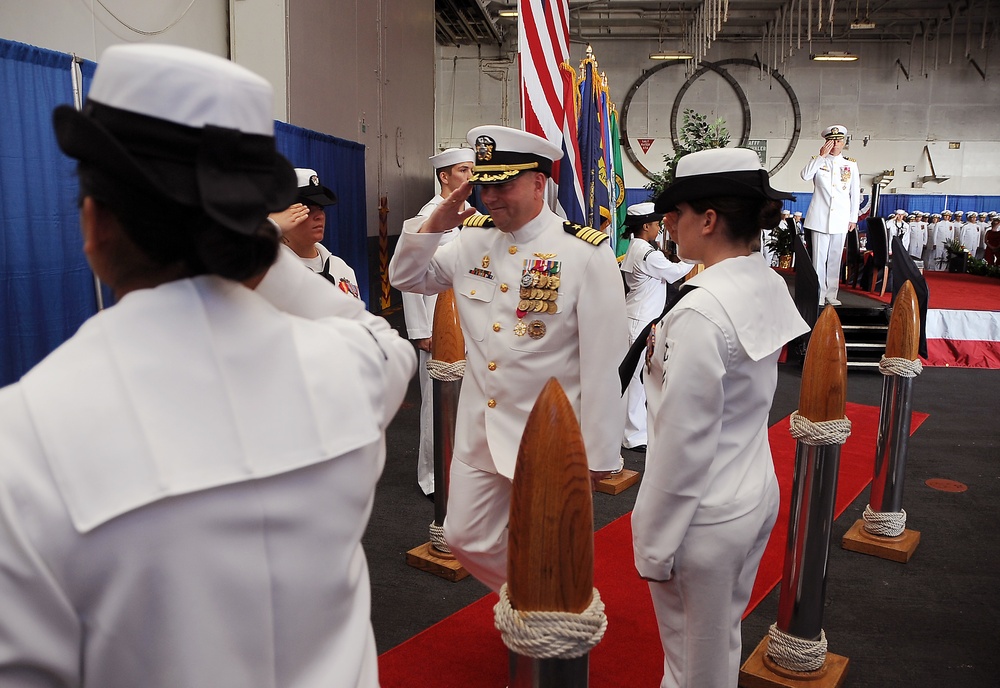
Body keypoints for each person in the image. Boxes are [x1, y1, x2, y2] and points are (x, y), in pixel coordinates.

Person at [0, 44, 415, 687]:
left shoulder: (23, 442)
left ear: (93, 226)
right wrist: (262, 251)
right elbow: (379, 340)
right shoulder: (349, 366)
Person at [389, 125, 627, 592]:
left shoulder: (583, 254)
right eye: (485, 184)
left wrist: (600, 454)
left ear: (539, 183)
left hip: (549, 437)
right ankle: (533, 596)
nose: (491, 197)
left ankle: (547, 620)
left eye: (505, 184)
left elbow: (604, 365)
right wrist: (436, 222)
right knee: (463, 537)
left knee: (550, 542)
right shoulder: (472, 239)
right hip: (480, 429)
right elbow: (407, 277)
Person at [631, 148, 809, 688]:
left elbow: (683, 446)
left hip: (701, 516)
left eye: (676, 213)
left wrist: (652, 543)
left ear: (707, 220)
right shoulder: (764, 280)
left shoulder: (701, 312)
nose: (669, 224)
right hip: (750, 491)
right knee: (713, 651)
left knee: (693, 666)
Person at [402, 147, 475, 496]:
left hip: (465, 325)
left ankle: (460, 470)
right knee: (435, 405)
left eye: (473, 170)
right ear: (444, 176)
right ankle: (432, 477)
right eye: (463, 170)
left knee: (465, 404)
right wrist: (421, 331)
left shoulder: (471, 214)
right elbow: (412, 279)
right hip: (437, 328)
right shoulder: (428, 216)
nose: (470, 177)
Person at [620, 202, 691, 453]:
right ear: (646, 226)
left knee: (636, 377)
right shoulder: (646, 252)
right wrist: (694, 257)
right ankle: (633, 435)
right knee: (636, 380)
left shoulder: (637, 247)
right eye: (657, 224)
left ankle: (631, 431)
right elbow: (674, 273)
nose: (659, 228)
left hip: (637, 318)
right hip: (639, 320)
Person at [269, 168, 361, 299]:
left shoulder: (341, 268)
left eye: (321, 208)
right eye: (306, 208)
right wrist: (270, 225)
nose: (319, 216)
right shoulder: (268, 270)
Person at [800, 125, 860, 306]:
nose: (835, 144)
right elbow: (805, 175)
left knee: (835, 258)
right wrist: (820, 157)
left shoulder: (850, 165)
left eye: (839, 141)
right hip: (820, 217)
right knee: (819, 259)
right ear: (826, 142)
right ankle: (818, 293)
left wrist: (853, 218)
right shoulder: (818, 162)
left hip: (841, 219)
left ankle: (831, 294)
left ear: (844, 143)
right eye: (832, 141)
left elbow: (854, 192)